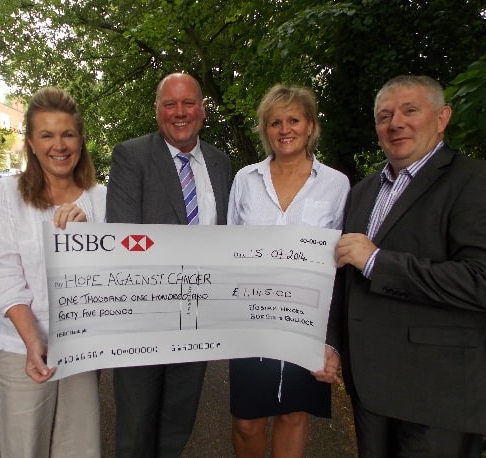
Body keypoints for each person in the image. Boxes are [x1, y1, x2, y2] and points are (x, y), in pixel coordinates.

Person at [329, 75, 486, 457]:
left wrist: (377, 261)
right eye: (385, 116)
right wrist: (333, 342)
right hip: (370, 386)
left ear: (442, 117)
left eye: (410, 110)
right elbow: (345, 276)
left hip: (438, 392)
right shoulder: (362, 192)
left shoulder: (473, 181)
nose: (396, 123)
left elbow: (479, 280)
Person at [106, 72, 232, 457]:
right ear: (157, 110)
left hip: (197, 320)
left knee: (177, 426)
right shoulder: (131, 156)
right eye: (170, 104)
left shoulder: (221, 163)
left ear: (202, 109)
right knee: (135, 431)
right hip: (143, 321)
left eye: (188, 103)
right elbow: (125, 239)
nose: (180, 112)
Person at [0, 87, 105, 458]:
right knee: (25, 449)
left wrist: (88, 238)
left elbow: (113, 278)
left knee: (80, 448)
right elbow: (1, 273)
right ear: (32, 143)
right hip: (22, 347)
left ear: (81, 140)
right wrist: (32, 339)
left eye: (68, 134)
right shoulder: (6, 193)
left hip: (80, 348)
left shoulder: (100, 198)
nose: (59, 145)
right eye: (47, 135)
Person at [227, 84, 349, 457]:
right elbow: (228, 250)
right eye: (275, 122)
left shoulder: (336, 184)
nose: (285, 129)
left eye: (293, 120)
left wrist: (332, 341)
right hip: (250, 318)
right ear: (265, 130)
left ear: (310, 125)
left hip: (307, 320)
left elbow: (340, 265)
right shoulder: (245, 180)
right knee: (247, 421)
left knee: (294, 414)